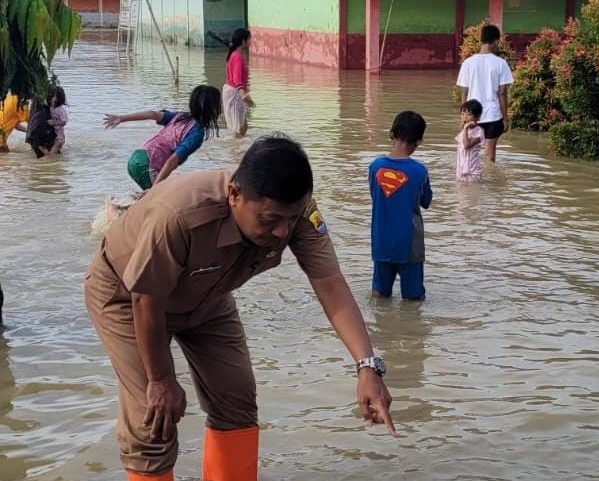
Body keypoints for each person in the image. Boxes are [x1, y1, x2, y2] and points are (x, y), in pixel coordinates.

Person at [84, 133, 395, 481]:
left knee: (237, 400)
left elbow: (331, 285)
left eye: (290, 220)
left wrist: (367, 368)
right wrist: (161, 379)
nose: (282, 231)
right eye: (270, 219)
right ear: (234, 195)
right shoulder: (179, 215)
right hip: (129, 297)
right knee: (153, 418)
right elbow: (146, 299)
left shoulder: (296, 212)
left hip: (208, 297)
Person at [103, 85, 221, 190]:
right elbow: (171, 161)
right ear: (212, 109)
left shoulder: (179, 116)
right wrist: (155, 190)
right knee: (161, 202)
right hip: (148, 165)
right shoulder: (197, 133)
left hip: (137, 156)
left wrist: (122, 118)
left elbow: (152, 114)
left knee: (153, 198)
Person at [368, 111, 432, 301]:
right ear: (419, 140)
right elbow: (426, 202)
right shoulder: (419, 171)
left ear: (392, 133)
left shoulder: (375, 167)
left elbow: (375, 197)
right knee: (413, 300)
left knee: (379, 296)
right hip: (409, 246)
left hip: (381, 242)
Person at [456, 23, 514, 163]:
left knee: (469, 153)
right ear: (495, 41)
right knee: (490, 155)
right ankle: (489, 182)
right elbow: (502, 93)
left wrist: (463, 116)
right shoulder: (500, 63)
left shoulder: (468, 63)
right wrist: (505, 118)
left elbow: (464, 91)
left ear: (481, 40)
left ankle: (470, 181)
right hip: (493, 115)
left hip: (472, 114)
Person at [223, 28, 254, 138]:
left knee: (243, 127)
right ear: (243, 41)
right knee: (239, 128)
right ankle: (235, 153)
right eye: (249, 39)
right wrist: (244, 95)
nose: (251, 41)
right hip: (235, 93)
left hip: (233, 91)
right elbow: (237, 79)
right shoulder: (237, 57)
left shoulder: (234, 55)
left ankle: (238, 151)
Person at [455, 99, 484, 182]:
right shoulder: (464, 130)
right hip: (461, 169)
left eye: (469, 114)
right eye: (463, 114)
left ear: (477, 117)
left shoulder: (479, 131)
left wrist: (465, 128)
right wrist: (465, 128)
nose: (465, 117)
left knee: (472, 192)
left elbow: (466, 145)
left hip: (472, 170)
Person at [40, 86, 68, 156]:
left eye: (55, 96)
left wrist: (54, 123)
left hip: (59, 137)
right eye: (51, 96)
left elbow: (64, 122)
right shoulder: (51, 107)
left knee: (51, 154)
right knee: (54, 153)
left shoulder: (60, 110)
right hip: (54, 134)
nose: (53, 98)